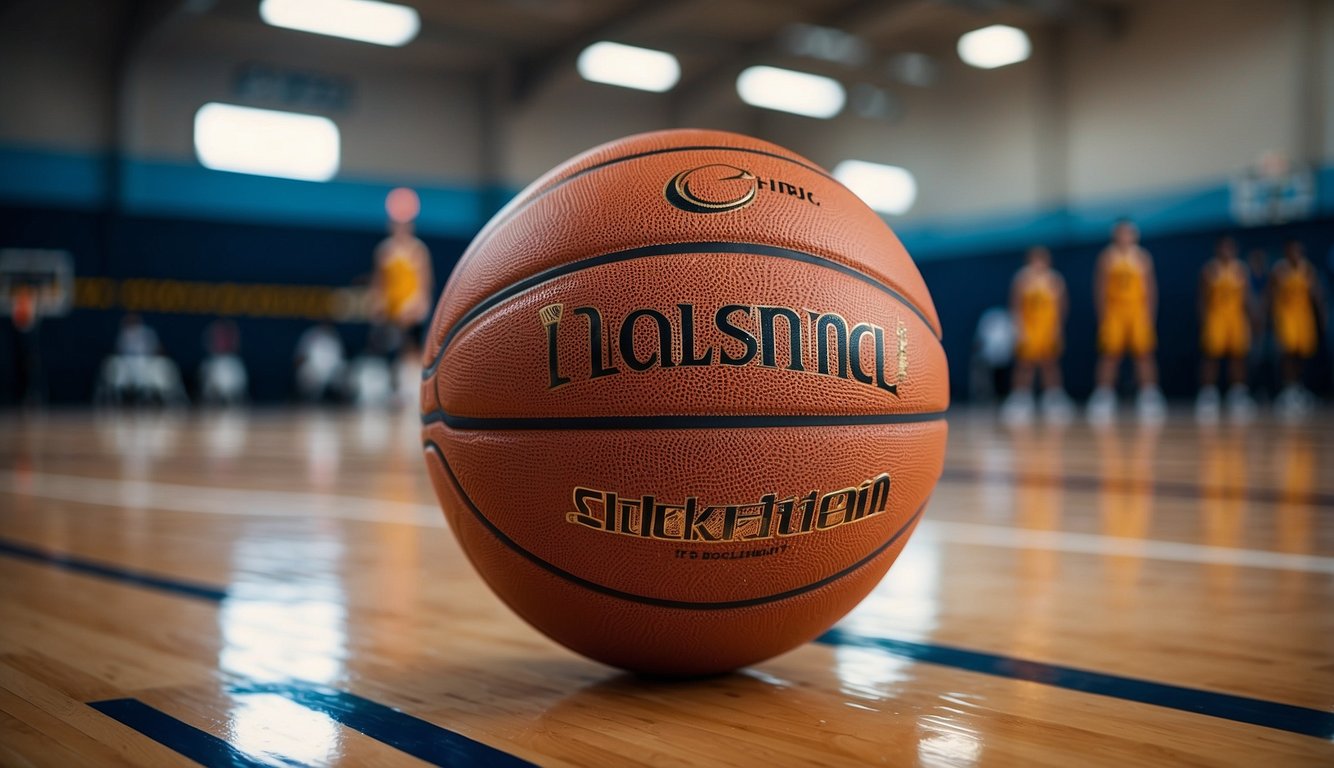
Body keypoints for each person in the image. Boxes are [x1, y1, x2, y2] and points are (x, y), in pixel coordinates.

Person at [1088, 219, 1164, 423]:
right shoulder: (1107, 257)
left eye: (1128, 233)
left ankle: (1149, 395)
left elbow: (1150, 290)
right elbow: (1100, 289)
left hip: (1137, 311)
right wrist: (1103, 316)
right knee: (1110, 354)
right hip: (1115, 311)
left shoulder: (1142, 257)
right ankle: (1104, 395)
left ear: (1134, 235)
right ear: (1115, 235)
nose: (1125, 236)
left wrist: (1149, 315)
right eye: (1121, 233)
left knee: (1144, 353)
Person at [369, 188, 433, 402]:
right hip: (391, 312)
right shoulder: (384, 251)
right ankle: (391, 386)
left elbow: (425, 284)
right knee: (390, 350)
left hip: (411, 312)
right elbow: (379, 283)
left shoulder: (418, 250)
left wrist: (417, 307)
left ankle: (413, 388)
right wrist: (378, 305)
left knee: (412, 350)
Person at [1002, 246, 1071, 422]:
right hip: (1029, 327)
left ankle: (1053, 398)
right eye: (1035, 258)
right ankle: (1020, 399)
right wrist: (1019, 329)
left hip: (1047, 327)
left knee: (1050, 363)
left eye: (1042, 259)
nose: (1039, 262)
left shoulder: (1055, 280)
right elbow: (1015, 306)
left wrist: (1057, 328)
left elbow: (1061, 307)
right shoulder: (1022, 279)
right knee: (1025, 364)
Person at [1196, 237, 1256, 421]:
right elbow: (1202, 298)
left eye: (1230, 248)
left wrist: (1252, 318)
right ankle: (1208, 394)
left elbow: (1247, 297)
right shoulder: (1210, 269)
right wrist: (1204, 320)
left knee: (1237, 357)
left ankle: (1238, 392)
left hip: (1236, 318)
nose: (1227, 251)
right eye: (1224, 247)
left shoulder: (1241, 270)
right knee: (1211, 356)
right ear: (1218, 249)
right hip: (1216, 317)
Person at [1268, 240, 1326, 416]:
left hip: (1303, 317)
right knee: (1288, 354)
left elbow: (1316, 294)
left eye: (1299, 251)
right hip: (1286, 317)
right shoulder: (1279, 270)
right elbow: (1270, 296)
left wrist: (1322, 315)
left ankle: (1299, 388)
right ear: (1286, 252)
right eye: (1293, 250)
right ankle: (1289, 389)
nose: (1296, 254)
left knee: (1301, 353)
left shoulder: (1307, 269)